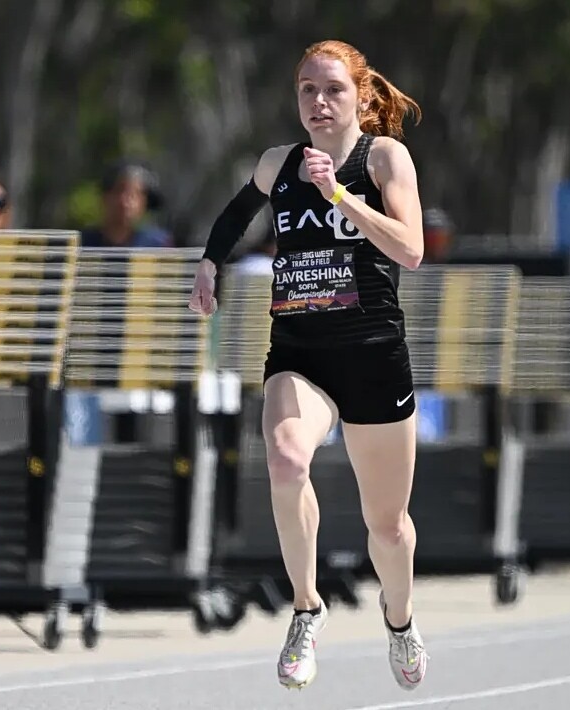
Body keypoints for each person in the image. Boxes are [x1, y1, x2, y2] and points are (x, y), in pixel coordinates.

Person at [189, 39, 427, 692]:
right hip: (300, 352)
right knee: (287, 460)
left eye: (333, 89)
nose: (319, 102)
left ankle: (400, 620)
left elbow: (411, 250)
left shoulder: (383, 157)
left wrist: (339, 195)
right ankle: (305, 607)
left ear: (360, 96)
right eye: (307, 90)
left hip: (372, 355)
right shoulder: (279, 163)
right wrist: (208, 264)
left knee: (388, 527)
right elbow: (236, 214)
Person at [80, 159, 173, 248]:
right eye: (118, 191)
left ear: (144, 202)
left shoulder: (157, 245)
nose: (125, 202)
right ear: (105, 197)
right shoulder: (83, 243)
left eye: (134, 194)